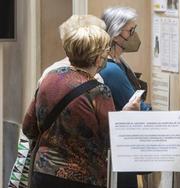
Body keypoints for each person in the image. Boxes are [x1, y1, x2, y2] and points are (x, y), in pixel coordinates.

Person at [22, 16, 140, 188]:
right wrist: (126, 114)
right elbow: (111, 138)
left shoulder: (49, 78)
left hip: (44, 174)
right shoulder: (98, 91)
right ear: (98, 58)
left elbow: (28, 128)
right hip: (82, 177)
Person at [100, 6, 151, 188]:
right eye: (130, 31)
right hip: (119, 152)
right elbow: (132, 102)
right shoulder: (111, 68)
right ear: (115, 34)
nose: (133, 36)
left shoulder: (118, 62)